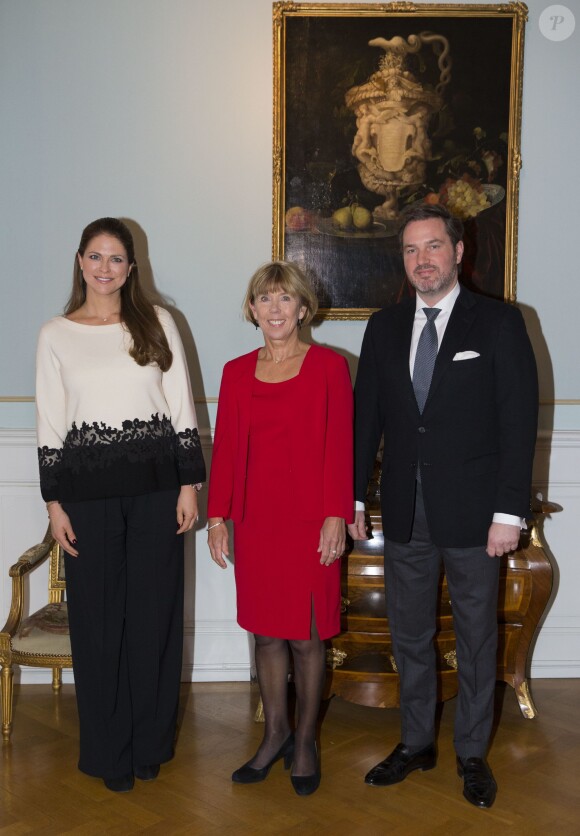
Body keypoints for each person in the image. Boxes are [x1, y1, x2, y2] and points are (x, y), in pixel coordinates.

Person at [348, 203, 538, 809]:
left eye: (433, 246)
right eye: (410, 250)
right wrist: (353, 493)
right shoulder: (383, 326)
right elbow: (365, 420)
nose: (422, 260)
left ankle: (473, 754)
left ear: (459, 252)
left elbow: (517, 420)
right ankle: (416, 742)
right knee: (410, 634)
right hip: (404, 510)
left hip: (477, 516)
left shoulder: (500, 324)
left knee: (479, 638)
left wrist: (511, 512)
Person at [36, 217, 206, 792]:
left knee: (155, 618)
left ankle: (150, 743)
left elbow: (180, 406)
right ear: (80, 261)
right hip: (87, 497)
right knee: (99, 624)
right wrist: (55, 503)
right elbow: (50, 424)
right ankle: (109, 752)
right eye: (95, 256)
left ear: (131, 268)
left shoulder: (157, 321)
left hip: (159, 488)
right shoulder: (55, 334)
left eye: (116, 259)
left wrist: (189, 485)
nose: (105, 268)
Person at [207, 261, 353, 796]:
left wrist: (336, 512)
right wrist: (218, 517)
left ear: (302, 309)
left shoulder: (329, 368)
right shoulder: (236, 371)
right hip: (255, 520)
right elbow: (224, 452)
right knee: (266, 633)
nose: (274, 309)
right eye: (264, 299)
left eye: (284, 299)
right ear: (251, 309)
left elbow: (341, 446)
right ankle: (274, 736)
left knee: (308, 637)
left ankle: (307, 741)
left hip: (310, 521)